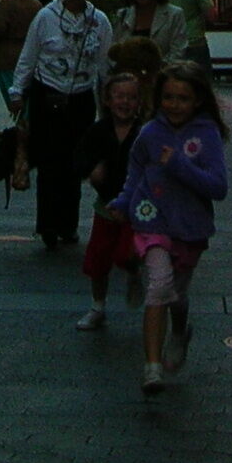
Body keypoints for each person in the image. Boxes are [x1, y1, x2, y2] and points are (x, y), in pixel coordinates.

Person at [111, 61, 231, 395]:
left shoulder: (206, 135)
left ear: (197, 101)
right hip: (151, 220)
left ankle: (179, 332)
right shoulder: (150, 132)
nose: (174, 105)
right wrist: (123, 203)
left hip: (189, 227)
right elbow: (135, 173)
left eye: (182, 98)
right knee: (159, 286)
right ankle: (152, 366)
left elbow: (218, 187)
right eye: (168, 97)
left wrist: (179, 165)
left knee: (176, 295)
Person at [8, 0, 113, 249]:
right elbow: (29, 56)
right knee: (48, 163)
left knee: (75, 165)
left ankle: (69, 224)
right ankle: (47, 225)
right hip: (47, 96)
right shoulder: (45, 17)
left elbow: (105, 65)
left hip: (80, 99)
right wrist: (18, 91)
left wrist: (111, 101)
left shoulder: (100, 21)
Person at [74, 73, 146, 330]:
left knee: (126, 253)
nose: (125, 102)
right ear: (107, 100)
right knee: (98, 258)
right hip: (106, 205)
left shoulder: (144, 132)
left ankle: (134, 272)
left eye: (131, 97)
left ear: (139, 102)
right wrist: (92, 169)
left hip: (137, 207)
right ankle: (97, 306)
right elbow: (79, 159)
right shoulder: (98, 130)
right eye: (119, 96)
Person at [112, 0, 190, 64]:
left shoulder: (174, 15)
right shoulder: (122, 15)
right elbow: (114, 51)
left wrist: (153, 71)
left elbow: (178, 53)